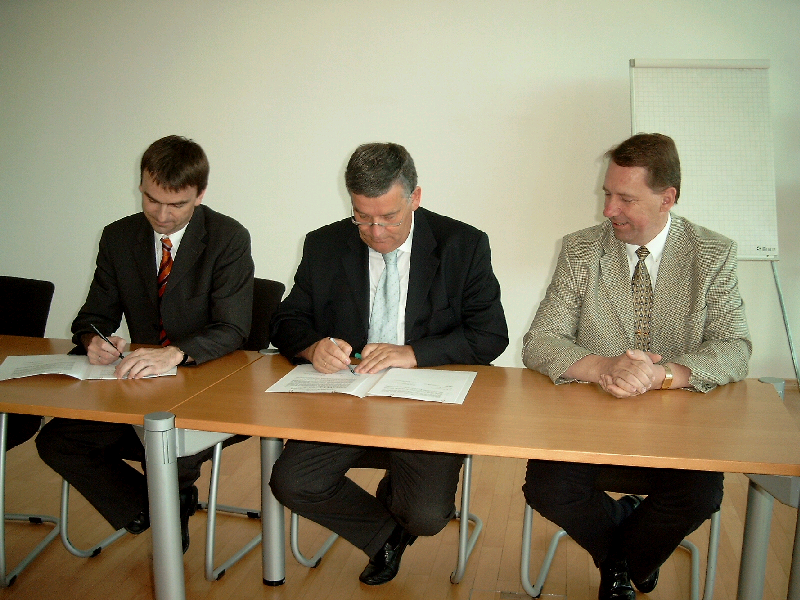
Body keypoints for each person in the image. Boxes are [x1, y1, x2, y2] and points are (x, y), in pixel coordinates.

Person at [521, 133, 751, 600]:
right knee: (546, 487)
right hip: (588, 419)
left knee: (700, 497)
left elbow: (735, 347)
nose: (609, 210)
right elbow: (540, 342)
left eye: (625, 198)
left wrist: (663, 375)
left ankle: (620, 562)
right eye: (608, 193)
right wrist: (606, 367)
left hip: (679, 423)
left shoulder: (712, 254)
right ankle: (631, 560)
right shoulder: (581, 250)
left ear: (668, 198)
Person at [269, 142, 508, 585]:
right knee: (292, 482)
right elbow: (286, 320)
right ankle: (384, 535)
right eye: (362, 217)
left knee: (426, 515)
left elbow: (490, 335)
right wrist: (311, 346)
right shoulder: (324, 244)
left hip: (426, 405)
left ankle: (401, 505)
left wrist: (413, 353)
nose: (375, 232)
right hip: (347, 399)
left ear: (415, 198)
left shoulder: (463, 245)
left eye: (389, 218)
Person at [36, 135, 254, 553]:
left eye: (178, 205)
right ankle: (157, 508)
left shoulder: (227, 237)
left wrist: (175, 352)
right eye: (152, 200)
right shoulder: (119, 237)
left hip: (205, 384)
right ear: (141, 185)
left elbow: (233, 328)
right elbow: (91, 317)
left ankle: (169, 500)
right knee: (57, 441)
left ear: (200, 194)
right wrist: (92, 340)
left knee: (173, 450)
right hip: (136, 386)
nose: (163, 215)